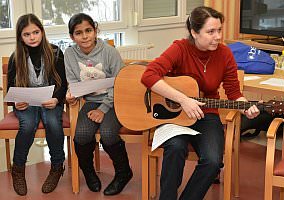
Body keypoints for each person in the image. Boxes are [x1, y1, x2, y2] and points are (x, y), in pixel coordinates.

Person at [141, 6, 260, 200]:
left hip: (207, 115)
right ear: (194, 32)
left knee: (213, 161)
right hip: (174, 116)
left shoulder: (225, 54)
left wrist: (246, 107)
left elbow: (233, 93)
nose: (218, 36)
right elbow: (148, 75)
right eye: (210, 31)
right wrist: (183, 100)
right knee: (176, 148)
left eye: (219, 30)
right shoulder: (179, 48)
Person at [64, 13, 132, 195]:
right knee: (82, 134)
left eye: (88, 30)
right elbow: (73, 82)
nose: (85, 36)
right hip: (91, 101)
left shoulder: (109, 52)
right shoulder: (69, 54)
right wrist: (72, 96)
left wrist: (103, 109)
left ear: (95, 31)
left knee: (109, 133)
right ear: (72, 37)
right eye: (79, 33)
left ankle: (124, 173)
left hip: (115, 100)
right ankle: (89, 172)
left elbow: (121, 82)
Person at [7, 14, 68, 196]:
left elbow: (63, 83)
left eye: (36, 32)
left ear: (42, 32)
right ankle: (18, 169)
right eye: (27, 34)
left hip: (51, 100)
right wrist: (17, 100)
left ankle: (57, 167)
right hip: (27, 103)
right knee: (27, 126)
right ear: (20, 37)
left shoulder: (56, 52)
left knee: (53, 122)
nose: (32, 37)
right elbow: (11, 86)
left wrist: (57, 99)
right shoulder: (15, 57)